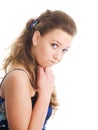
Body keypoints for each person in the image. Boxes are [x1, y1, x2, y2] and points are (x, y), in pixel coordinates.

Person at [0, 9, 77, 130]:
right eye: (54, 45)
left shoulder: (38, 76)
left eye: (64, 50)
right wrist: (45, 95)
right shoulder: (18, 78)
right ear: (36, 38)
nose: (58, 56)